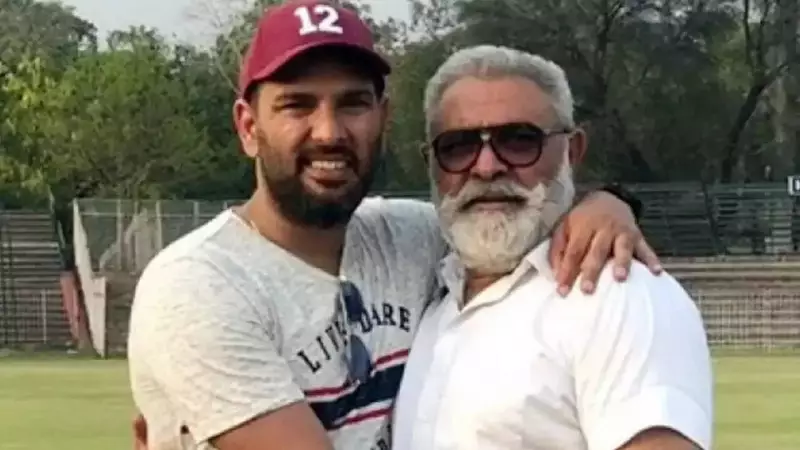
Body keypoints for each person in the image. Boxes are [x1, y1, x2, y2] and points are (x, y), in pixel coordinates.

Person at [127, 2, 662, 450]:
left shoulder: (411, 238)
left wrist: (609, 205)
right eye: (297, 105)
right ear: (248, 127)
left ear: (383, 117)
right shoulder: (199, 285)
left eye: (353, 103)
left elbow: (517, 203)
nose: (328, 131)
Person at [392, 45, 712, 450]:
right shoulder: (429, 290)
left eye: (519, 140)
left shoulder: (618, 293)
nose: (486, 167)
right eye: (458, 146)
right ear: (431, 164)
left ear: (572, 151)